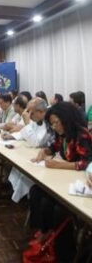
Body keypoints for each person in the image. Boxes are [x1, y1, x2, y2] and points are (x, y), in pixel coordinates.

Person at [29, 102, 92, 262]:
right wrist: (44, 151)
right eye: (52, 123)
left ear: (67, 119)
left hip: (79, 182)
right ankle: (45, 232)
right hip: (64, 179)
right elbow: (55, 147)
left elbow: (85, 163)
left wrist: (60, 165)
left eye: (57, 122)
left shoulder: (82, 135)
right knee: (36, 192)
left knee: (58, 209)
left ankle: (62, 251)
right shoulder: (63, 135)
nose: (55, 126)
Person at [2, 98, 54, 202]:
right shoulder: (37, 118)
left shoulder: (49, 121)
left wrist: (26, 123)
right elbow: (26, 133)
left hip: (43, 154)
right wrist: (12, 136)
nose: (29, 115)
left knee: (25, 170)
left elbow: (36, 142)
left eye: (31, 112)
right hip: (36, 152)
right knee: (18, 164)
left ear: (40, 112)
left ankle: (25, 198)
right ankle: (18, 193)